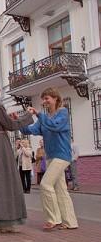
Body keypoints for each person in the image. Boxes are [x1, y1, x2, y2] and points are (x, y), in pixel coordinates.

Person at [0, 79, 34, 234]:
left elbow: (4, 123)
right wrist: (26, 115)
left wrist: (11, 118)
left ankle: (4, 222)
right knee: (6, 181)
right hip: (0, 145)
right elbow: (10, 126)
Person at [21, 87, 78, 230]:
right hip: (51, 156)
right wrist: (20, 123)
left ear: (55, 98)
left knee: (46, 184)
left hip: (62, 155)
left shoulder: (62, 113)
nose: (44, 101)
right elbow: (33, 130)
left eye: (47, 98)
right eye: (43, 99)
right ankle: (70, 223)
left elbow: (55, 126)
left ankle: (54, 219)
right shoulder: (45, 117)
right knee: (61, 190)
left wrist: (39, 114)